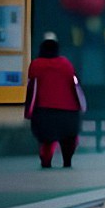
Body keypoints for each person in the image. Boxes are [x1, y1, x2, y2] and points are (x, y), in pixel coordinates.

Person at [24, 38, 83, 168]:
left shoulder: (36, 65)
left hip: (44, 111)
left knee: (46, 141)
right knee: (69, 140)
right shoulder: (66, 64)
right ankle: (67, 162)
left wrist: (29, 111)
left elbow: (32, 89)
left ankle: (46, 162)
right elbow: (76, 85)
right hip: (69, 111)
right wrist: (81, 106)